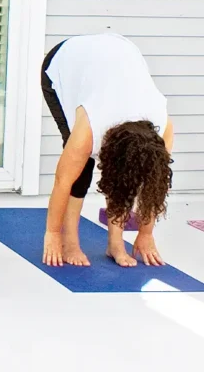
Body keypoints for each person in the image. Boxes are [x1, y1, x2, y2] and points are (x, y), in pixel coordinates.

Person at [41, 32, 173, 268]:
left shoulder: (161, 128)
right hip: (66, 60)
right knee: (81, 171)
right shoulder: (91, 127)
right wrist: (52, 234)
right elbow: (63, 181)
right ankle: (71, 241)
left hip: (116, 50)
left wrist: (146, 233)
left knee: (131, 175)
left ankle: (115, 244)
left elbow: (157, 183)